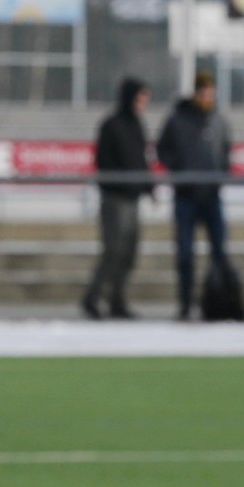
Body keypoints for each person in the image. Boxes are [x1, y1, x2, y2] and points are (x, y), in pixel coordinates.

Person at [156, 70, 234, 321]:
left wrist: (220, 173)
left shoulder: (219, 121)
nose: (206, 98)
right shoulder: (178, 120)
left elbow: (226, 151)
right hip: (186, 196)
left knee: (219, 252)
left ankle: (219, 302)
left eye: (210, 93)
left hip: (212, 196)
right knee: (185, 254)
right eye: (202, 93)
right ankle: (186, 304)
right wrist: (178, 169)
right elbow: (163, 149)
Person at [81, 77, 153, 320]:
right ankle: (92, 297)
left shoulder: (137, 126)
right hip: (114, 199)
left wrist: (148, 187)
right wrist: (122, 182)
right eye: (141, 98)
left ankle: (117, 300)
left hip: (132, 199)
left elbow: (142, 161)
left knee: (129, 252)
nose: (143, 104)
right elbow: (104, 162)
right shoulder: (111, 125)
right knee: (113, 251)